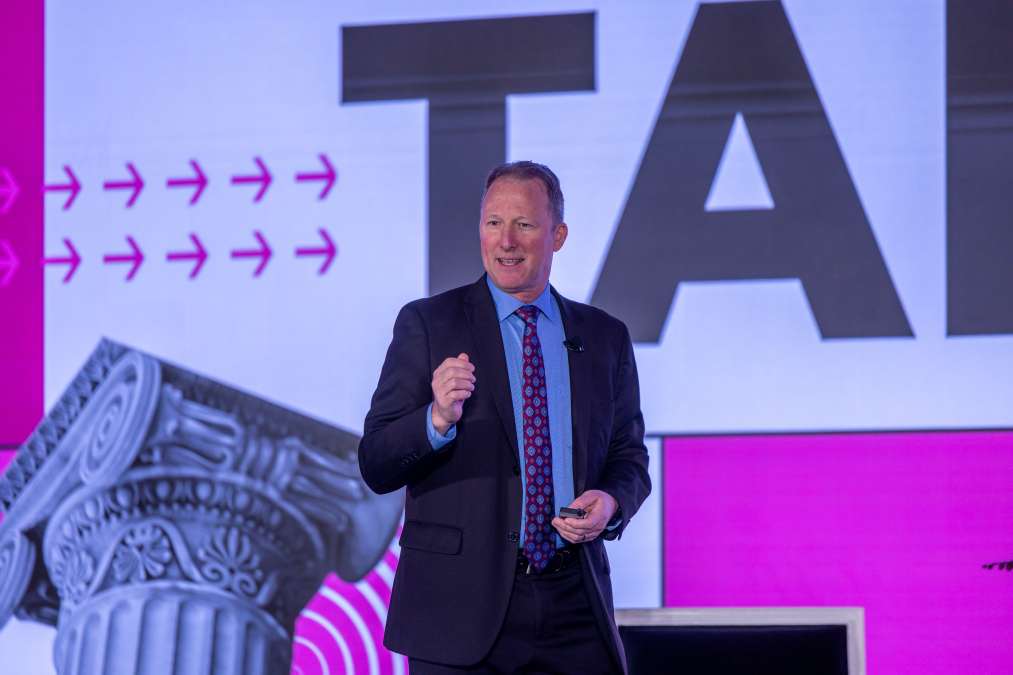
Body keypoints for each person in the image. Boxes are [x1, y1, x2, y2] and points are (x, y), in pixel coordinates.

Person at [359, 161, 651, 674]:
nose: (506, 241)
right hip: (457, 612)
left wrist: (610, 502)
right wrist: (436, 419)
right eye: (493, 222)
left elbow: (629, 458)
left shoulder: (604, 337)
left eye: (525, 224)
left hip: (574, 606)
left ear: (558, 236)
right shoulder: (429, 323)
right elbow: (376, 462)